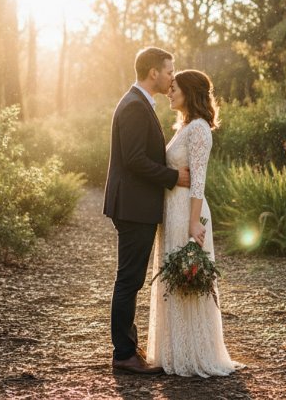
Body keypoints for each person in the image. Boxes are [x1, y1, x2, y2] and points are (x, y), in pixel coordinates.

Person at [146, 69, 240, 377]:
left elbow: (199, 181)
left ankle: (195, 354)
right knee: (174, 280)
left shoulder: (200, 129)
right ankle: (174, 350)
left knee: (188, 281)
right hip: (173, 210)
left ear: (190, 92)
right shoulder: (184, 127)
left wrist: (193, 222)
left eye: (174, 89)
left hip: (188, 212)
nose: (169, 93)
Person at [104, 47, 190, 375]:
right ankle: (123, 354)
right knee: (128, 279)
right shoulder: (134, 106)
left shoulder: (138, 103)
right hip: (133, 206)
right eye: (169, 71)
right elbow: (135, 159)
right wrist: (174, 178)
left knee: (131, 278)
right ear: (153, 72)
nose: (172, 78)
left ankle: (127, 347)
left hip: (135, 204)